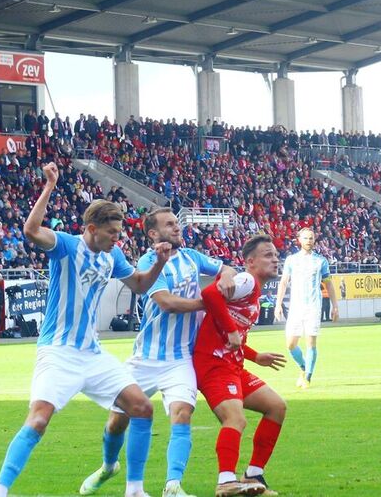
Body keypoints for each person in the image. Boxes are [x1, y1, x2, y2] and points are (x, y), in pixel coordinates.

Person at [0, 162, 171, 497]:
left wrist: (159, 260)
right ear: (91, 228)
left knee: (142, 407)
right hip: (58, 352)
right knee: (39, 420)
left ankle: (127, 483)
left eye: (119, 233)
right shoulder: (67, 245)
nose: (118, 239)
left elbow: (141, 285)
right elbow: (31, 230)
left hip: (92, 353)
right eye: (112, 233)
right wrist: (49, 186)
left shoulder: (111, 255)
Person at [79, 208, 236, 497]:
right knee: (117, 422)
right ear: (153, 233)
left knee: (182, 413)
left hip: (180, 359)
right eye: (169, 224)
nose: (177, 228)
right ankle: (108, 465)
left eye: (177, 223)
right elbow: (167, 303)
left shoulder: (192, 257)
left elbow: (225, 267)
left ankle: (172, 486)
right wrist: (211, 303)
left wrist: (226, 275)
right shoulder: (150, 261)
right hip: (145, 358)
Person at [195, 234, 288, 497]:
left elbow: (232, 337)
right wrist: (232, 332)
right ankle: (226, 481)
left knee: (276, 407)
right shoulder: (246, 280)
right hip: (213, 365)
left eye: (276, 255)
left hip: (232, 366)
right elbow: (210, 293)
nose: (275, 259)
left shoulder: (254, 290)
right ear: (250, 262)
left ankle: (253, 474)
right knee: (235, 418)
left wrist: (255, 355)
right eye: (268, 255)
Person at [274, 227, 338, 389]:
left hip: (313, 307)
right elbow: (283, 282)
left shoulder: (320, 261)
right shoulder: (291, 260)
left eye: (311, 238)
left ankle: (308, 377)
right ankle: (303, 368)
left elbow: (328, 284)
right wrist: (278, 304)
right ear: (299, 240)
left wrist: (335, 305)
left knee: (311, 342)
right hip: (296, 307)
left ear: (314, 240)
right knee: (290, 344)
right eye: (306, 238)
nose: (309, 241)